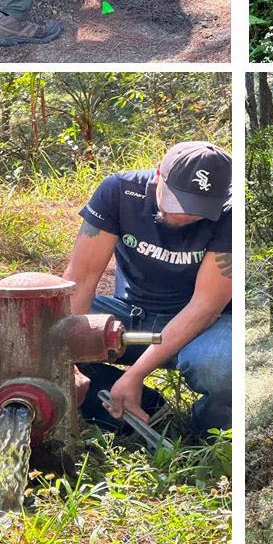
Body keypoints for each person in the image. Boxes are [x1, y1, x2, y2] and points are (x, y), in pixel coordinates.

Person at [64, 142, 232, 436]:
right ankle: (133, 406)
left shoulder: (231, 214)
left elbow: (204, 307)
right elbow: (82, 280)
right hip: (130, 315)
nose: (183, 215)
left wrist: (137, 374)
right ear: (159, 175)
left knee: (222, 366)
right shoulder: (119, 192)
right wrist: (65, 364)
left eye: (198, 209)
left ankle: (207, 437)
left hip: (199, 328)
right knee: (35, 326)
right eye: (176, 201)